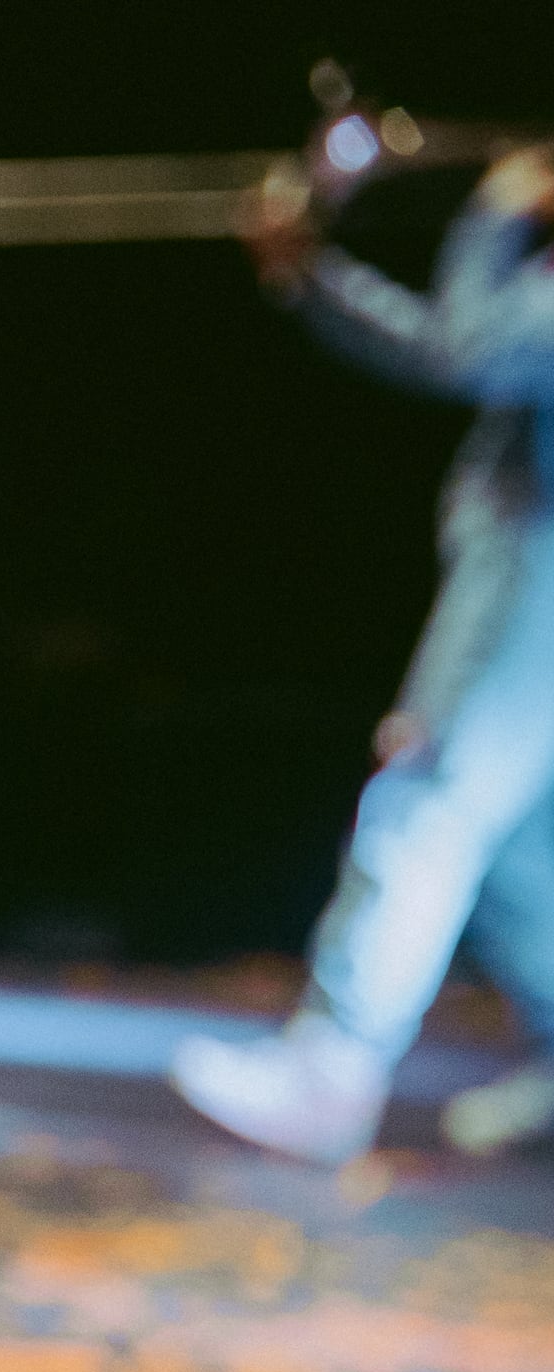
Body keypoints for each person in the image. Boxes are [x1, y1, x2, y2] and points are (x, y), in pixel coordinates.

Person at [171, 147, 554, 1164]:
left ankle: (331, 1069)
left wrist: (497, 212)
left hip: (539, 565)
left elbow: (477, 343)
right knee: (519, 854)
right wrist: (311, 277)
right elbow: (459, 347)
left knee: (425, 802)